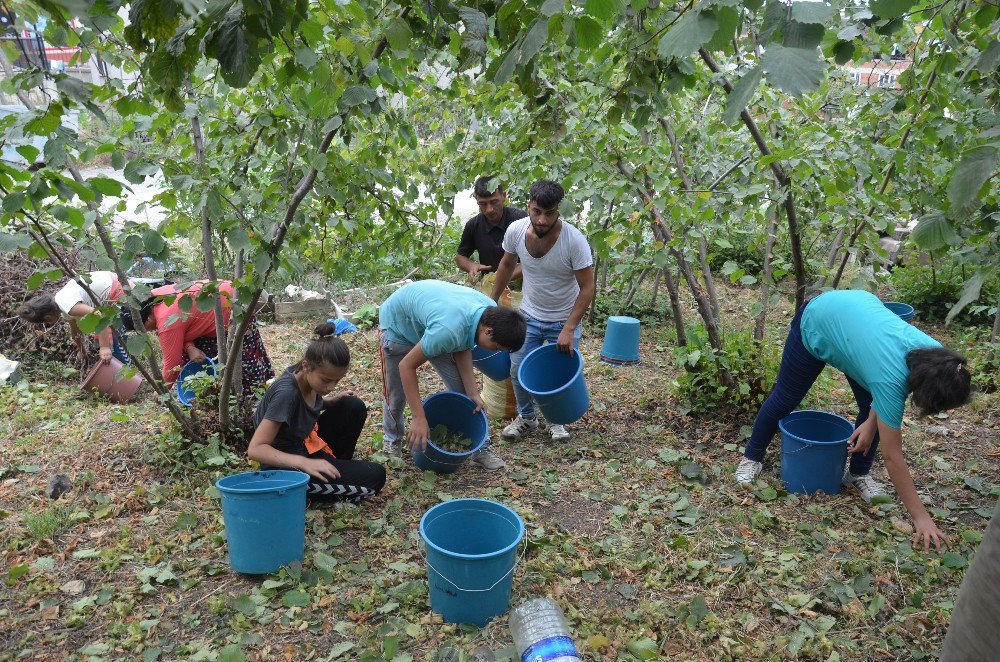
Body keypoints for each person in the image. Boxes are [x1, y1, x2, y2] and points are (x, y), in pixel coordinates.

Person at [734, 289, 972, 552]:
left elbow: (883, 392)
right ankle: (752, 457)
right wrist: (921, 517)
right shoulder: (891, 379)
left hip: (855, 323)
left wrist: (871, 422)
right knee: (786, 398)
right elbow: (893, 457)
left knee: (873, 412)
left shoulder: (941, 358)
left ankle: (857, 474)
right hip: (819, 319)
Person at [378, 279, 526, 471]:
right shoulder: (447, 331)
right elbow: (406, 366)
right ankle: (392, 439)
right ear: (488, 331)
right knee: (395, 394)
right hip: (398, 326)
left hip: (434, 323)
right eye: (496, 347)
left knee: (465, 394)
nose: (494, 352)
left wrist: (472, 392)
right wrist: (418, 417)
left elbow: (464, 344)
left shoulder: (489, 310)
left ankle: (481, 448)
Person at [490, 179, 595, 442]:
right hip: (528, 315)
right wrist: (491, 303)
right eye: (537, 211)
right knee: (517, 369)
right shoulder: (515, 231)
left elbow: (588, 287)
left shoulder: (574, 241)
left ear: (558, 210)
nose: (542, 220)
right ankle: (527, 417)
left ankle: (556, 421)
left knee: (558, 374)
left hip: (563, 319)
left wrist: (569, 328)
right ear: (528, 206)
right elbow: (505, 266)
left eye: (549, 213)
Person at [248, 323, 386, 504]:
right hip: (282, 469)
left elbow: (301, 409)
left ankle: (334, 468)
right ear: (306, 366)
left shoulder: (305, 376)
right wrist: (304, 463)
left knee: (353, 406)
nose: (331, 387)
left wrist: (330, 402)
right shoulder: (286, 394)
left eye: (337, 381)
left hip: (303, 446)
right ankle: (326, 477)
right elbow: (256, 449)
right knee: (375, 477)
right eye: (327, 380)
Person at [120, 279, 274, 394]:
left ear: (147, 319)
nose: (148, 331)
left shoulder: (166, 321)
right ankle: (213, 392)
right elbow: (188, 321)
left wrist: (160, 392)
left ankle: (252, 395)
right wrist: (190, 347)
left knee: (243, 363)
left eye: (144, 329)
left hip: (236, 309)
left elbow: (172, 365)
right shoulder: (157, 296)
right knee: (196, 356)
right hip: (225, 299)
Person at [18, 271, 133, 365]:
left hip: (122, 291)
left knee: (113, 341)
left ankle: (126, 371)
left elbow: (100, 316)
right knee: (100, 336)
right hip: (114, 289)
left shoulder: (67, 304)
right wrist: (81, 351)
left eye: (47, 322)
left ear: (48, 317)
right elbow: (75, 331)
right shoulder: (62, 305)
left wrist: (104, 347)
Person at [456, 176, 528, 286]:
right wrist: (471, 266)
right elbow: (460, 257)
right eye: (483, 204)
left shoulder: (521, 220)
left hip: (522, 286)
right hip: (490, 285)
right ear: (476, 200)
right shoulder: (473, 225)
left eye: (494, 202)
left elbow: (536, 258)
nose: (489, 209)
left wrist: (505, 276)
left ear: (504, 196)